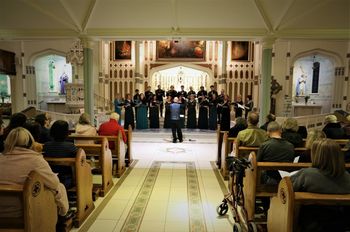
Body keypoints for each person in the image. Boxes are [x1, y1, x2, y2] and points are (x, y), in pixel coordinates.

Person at [0, 127, 69, 218]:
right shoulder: (35, 160)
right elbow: (54, 183)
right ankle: (60, 217)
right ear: (30, 142)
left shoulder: (1, 157)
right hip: (24, 210)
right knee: (58, 187)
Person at [291, 139, 350, 231]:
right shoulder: (347, 176)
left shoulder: (306, 174)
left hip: (310, 222)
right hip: (340, 223)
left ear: (316, 155)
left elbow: (288, 191)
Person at [43, 120, 78, 189]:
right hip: (66, 179)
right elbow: (80, 159)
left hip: (49, 178)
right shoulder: (70, 146)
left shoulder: (46, 146)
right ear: (66, 132)